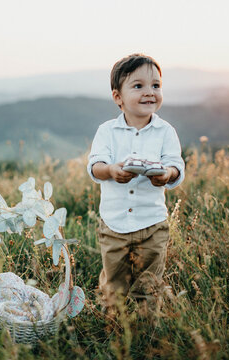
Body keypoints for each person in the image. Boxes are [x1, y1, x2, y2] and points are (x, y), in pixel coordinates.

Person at [87, 53, 185, 309]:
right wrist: (110, 171)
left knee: (149, 285)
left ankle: (145, 331)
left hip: (152, 224)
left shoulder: (166, 131)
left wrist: (166, 174)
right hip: (115, 224)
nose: (149, 92)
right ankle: (114, 327)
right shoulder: (107, 131)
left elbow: (176, 165)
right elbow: (95, 166)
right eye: (138, 86)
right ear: (118, 97)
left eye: (156, 85)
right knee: (114, 285)